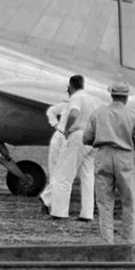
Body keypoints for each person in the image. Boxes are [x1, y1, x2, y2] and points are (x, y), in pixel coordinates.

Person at [82, 80, 135, 245]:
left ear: (111, 95)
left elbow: (86, 138)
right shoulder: (133, 115)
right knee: (128, 200)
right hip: (124, 157)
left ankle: (107, 242)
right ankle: (129, 242)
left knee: (104, 202)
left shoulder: (98, 113)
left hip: (103, 155)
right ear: (126, 98)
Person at [49, 75, 105, 221]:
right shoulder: (95, 100)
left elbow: (74, 113)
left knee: (63, 175)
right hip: (93, 137)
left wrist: (67, 129)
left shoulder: (76, 97)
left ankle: (59, 212)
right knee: (88, 176)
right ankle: (87, 214)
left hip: (78, 135)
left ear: (71, 86)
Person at [39, 99, 68, 214]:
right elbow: (51, 111)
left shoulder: (68, 105)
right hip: (64, 140)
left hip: (63, 138)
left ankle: (49, 200)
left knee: (59, 173)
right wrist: (56, 125)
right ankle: (48, 200)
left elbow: (51, 111)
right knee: (62, 173)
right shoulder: (69, 105)